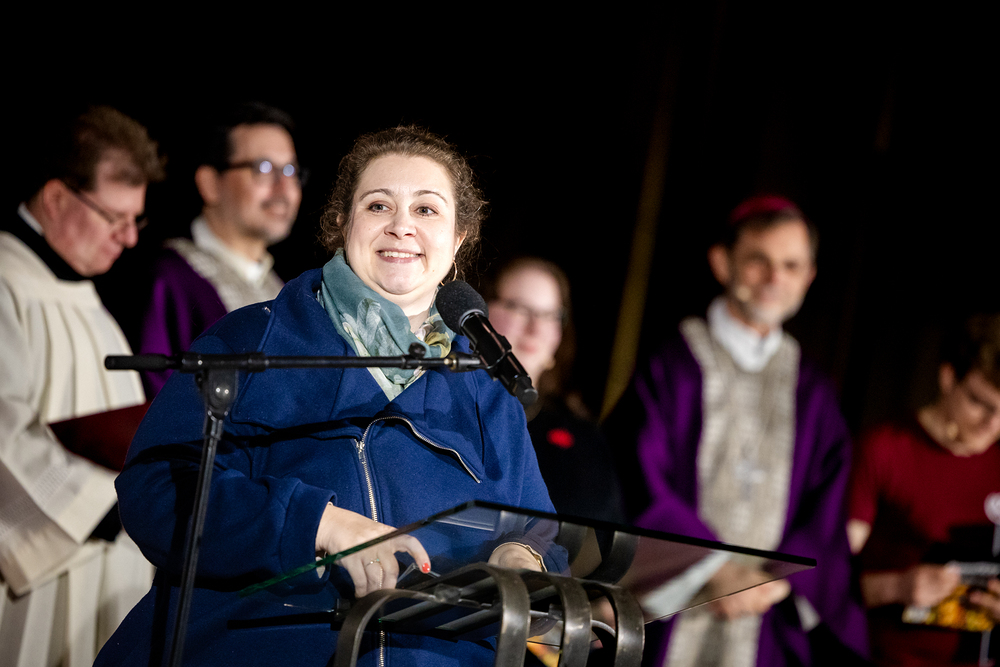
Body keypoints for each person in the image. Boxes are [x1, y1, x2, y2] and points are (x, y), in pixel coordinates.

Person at [94, 126, 555, 667]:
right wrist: (319, 524)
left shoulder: (484, 383)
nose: (402, 225)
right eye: (379, 205)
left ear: (458, 240)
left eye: (427, 210)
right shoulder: (253, 339)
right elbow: (157, 491)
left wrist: (522, 557)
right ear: (342, 224)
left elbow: (539, 528)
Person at [609, 195, 868, 666]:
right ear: (721, 262)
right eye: (758, 261)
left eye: (791, 266)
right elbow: (637, 476)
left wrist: (773, 583)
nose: (775, 279)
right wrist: (714, 571)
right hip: (672, 606)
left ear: (809, 276)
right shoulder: (672, 367)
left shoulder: (814, 392)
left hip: (765, 613)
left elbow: (825, 515)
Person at [0, 106, 164, 666]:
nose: (129, 238)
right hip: (42, 570)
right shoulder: (7, 284)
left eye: (136, 220)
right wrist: (112, 505)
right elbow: (4, 439)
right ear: (56, 197)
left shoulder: (90, 302)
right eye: (114, 217)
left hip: (110, 563)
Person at [848, 313, 1000, 667]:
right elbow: (826, 580)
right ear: (948, 378)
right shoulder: (885, 448)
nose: (993, 423)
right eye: (980, 403)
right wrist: (897, 587)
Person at [137, 101, 303, 395]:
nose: (284, 188)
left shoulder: (283, 290)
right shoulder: (169, 279)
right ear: (210, 183)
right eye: (263, 168)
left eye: (290, 170)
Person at [484, 257, 625, 524]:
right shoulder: (439, 408)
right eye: (518, 308)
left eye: (550, 316)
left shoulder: (583, 437)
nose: (535, 328)